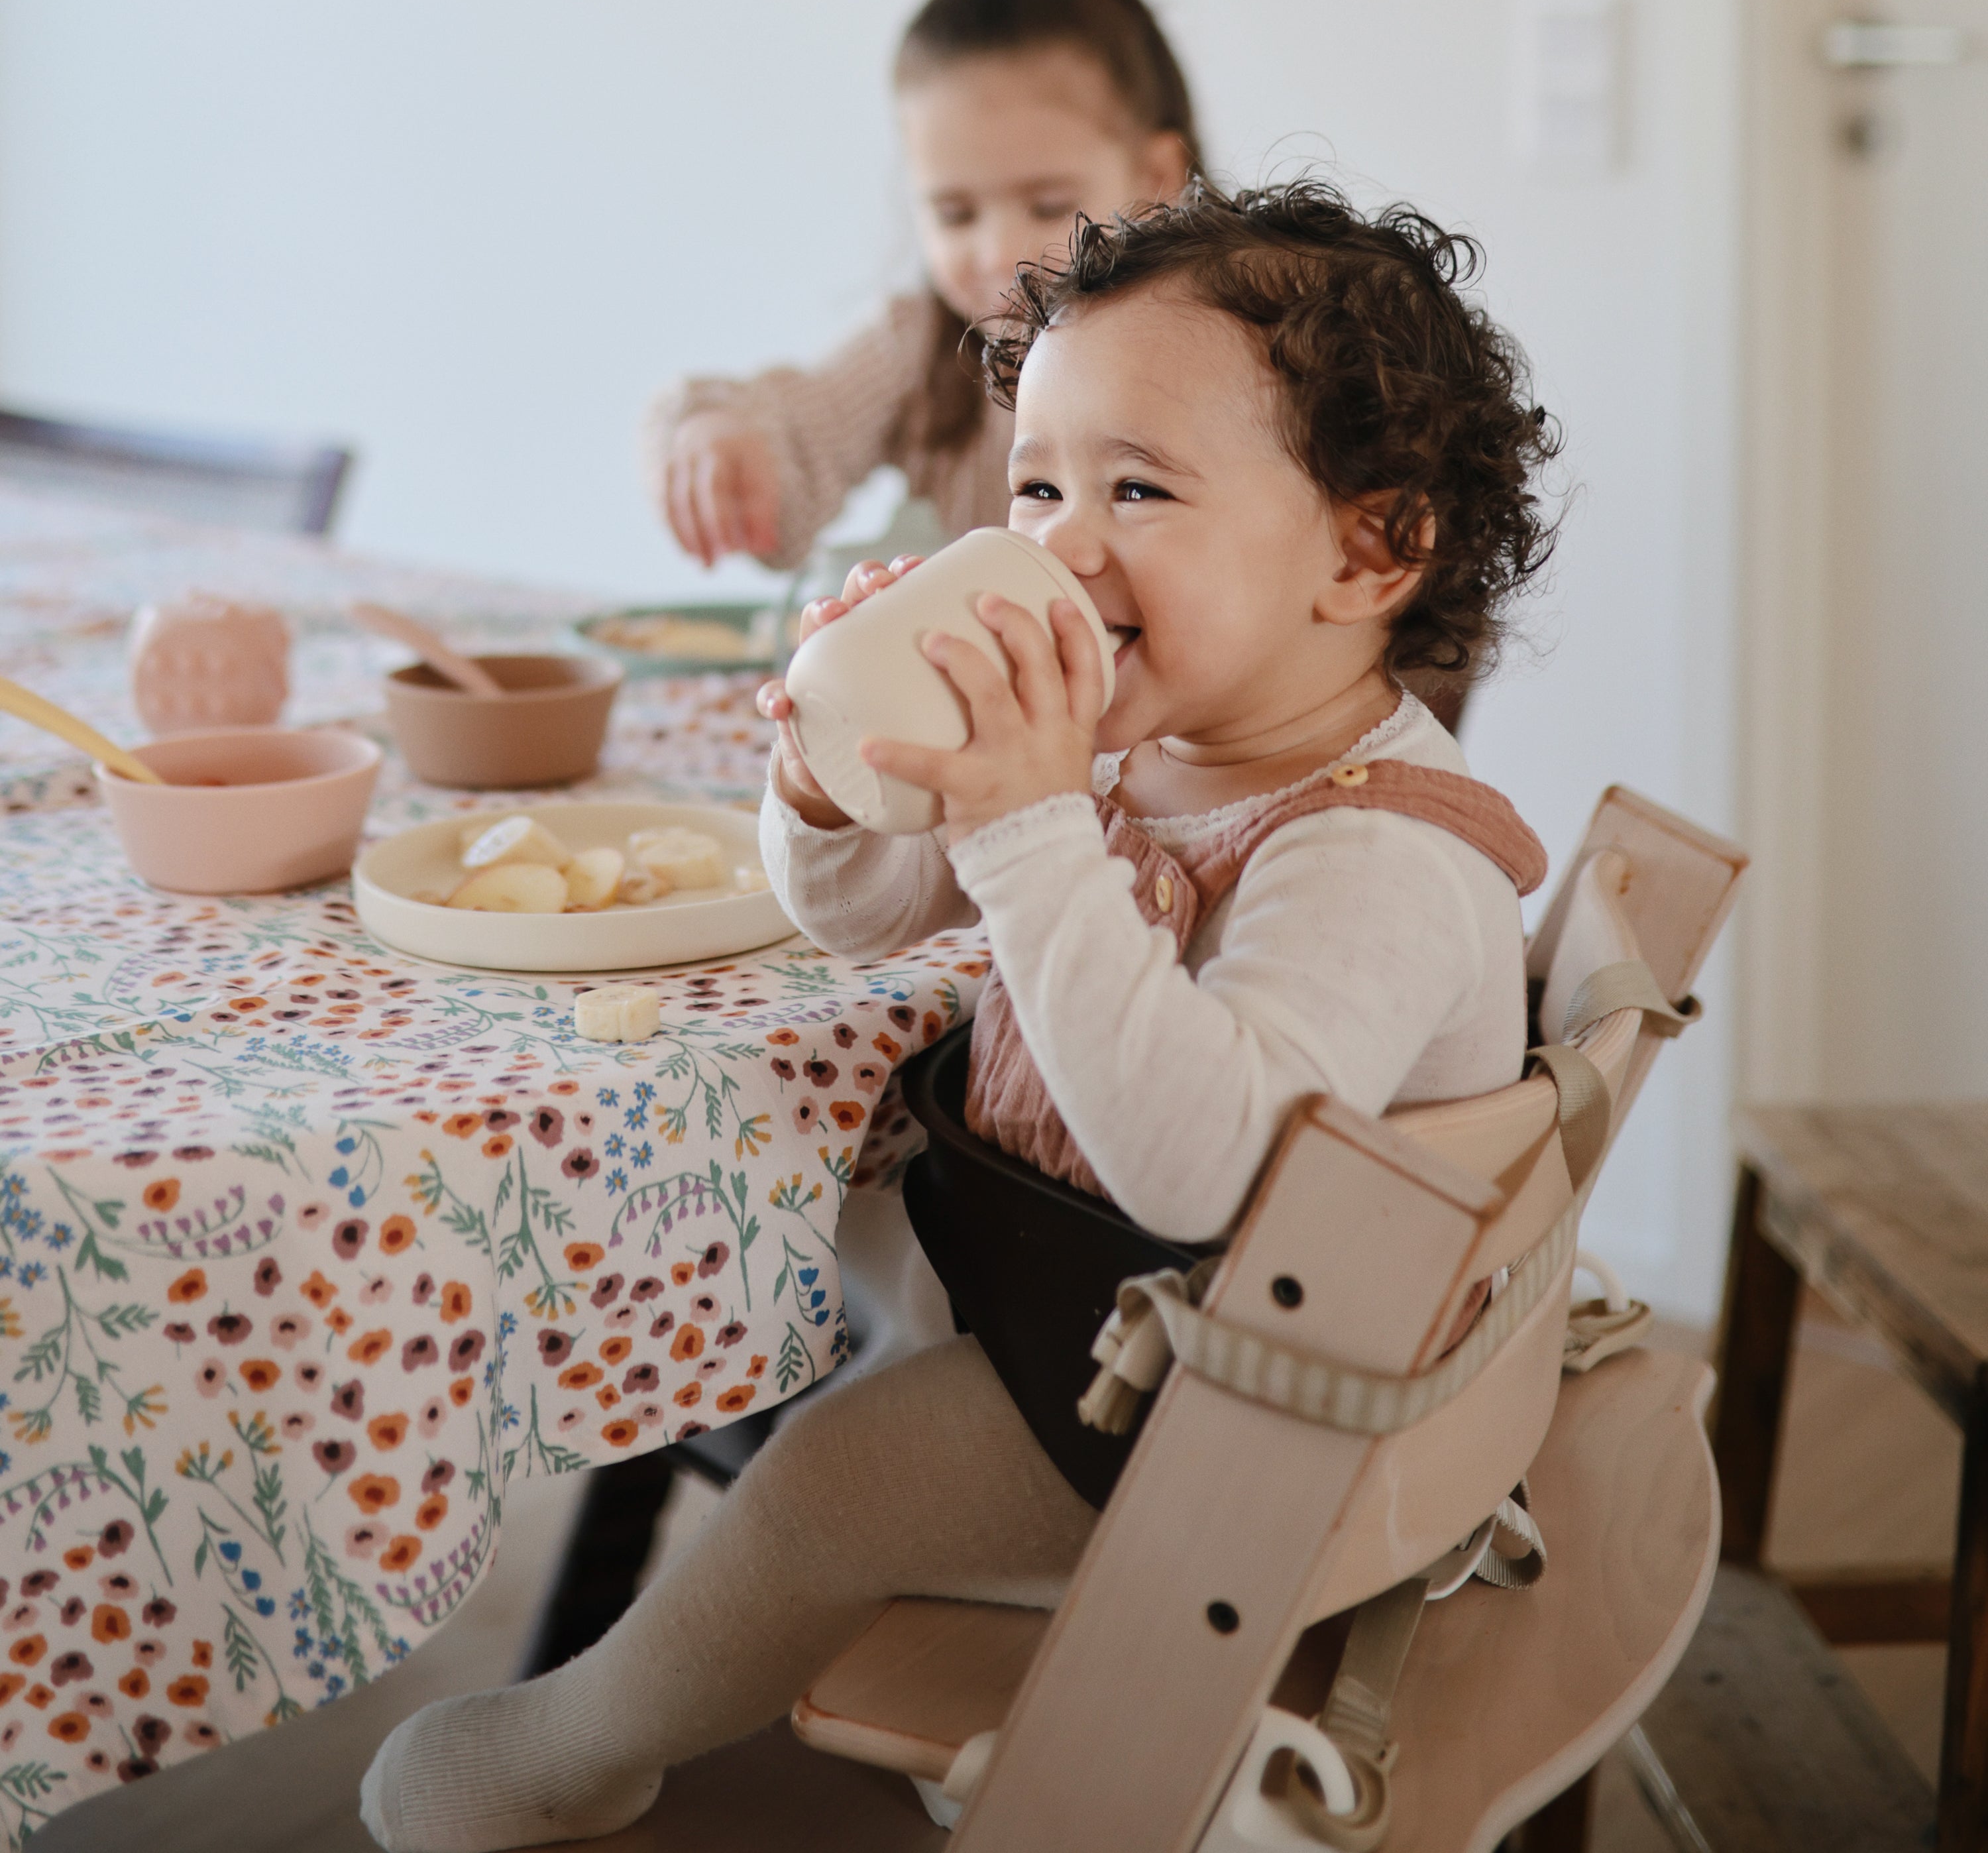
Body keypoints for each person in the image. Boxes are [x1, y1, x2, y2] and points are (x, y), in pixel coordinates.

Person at [360, 178, 1559, 1852]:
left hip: (1233, 1405)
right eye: (1039, 483)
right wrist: (832, 789)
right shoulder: (1165, 733)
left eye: (1137, 487)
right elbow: (855, 916)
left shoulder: (1374, 852)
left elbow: (1202, 1169)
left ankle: (581, 1741)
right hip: (1068, 1288)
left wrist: (1021, 824)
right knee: (757, 1220)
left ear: (1369, 546)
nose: (1062, 541)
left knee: (830, 1478)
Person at [650, 0, 1198, 571]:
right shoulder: (925, 352)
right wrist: (714, 437)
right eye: (956, 213)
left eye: (1047, 206)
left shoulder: (1225, 351)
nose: (998, 253)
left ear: (1158, 179)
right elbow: (793, 428)